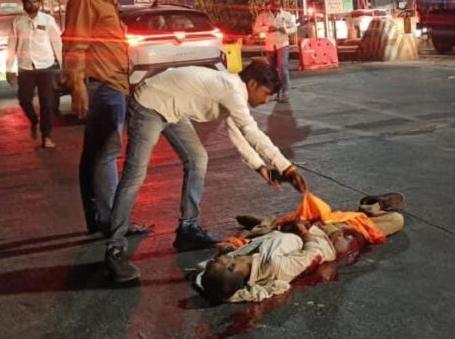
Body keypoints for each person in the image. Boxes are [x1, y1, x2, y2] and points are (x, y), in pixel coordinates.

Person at [104, 60, 308, 282]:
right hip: (150, 103)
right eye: (266, 93)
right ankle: (115, 248)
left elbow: (237, 131)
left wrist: (260, 166)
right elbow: (251, 131)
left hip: (172, 106)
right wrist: (286, 167)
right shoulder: (232, 91)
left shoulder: (234, 92)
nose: (267, 100)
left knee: (197, 158)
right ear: (252, 84)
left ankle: (188, 230)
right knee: (134, 175)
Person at [61, 0, 150, 238]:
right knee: (106, 154)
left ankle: (101, 219)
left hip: (115, 84)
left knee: (96, 155)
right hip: (103, 86)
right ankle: (113, 220)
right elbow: (75, 44)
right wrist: (77, 84)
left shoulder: (109, 1)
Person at [196, 192, 406, 304]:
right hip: (326, 239)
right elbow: (312, 255)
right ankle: (371, 209)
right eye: (221, 261)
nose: (220, 258)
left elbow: (227, 256)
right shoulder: (276, 266)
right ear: (233, 268)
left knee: (327, 214)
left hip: (297, 231)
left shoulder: (242, 260)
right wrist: (305, 230)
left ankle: (267, 222)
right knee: (395, 220)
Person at [5, 0, 62, 148]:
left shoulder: (48, 20)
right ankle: (34, 120)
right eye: (29, 2)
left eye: (35, 2)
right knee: (24, 100)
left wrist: (63, 66)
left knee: (47, 103)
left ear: (39, 3)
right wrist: (9, 69)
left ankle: (46, 136)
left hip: (46, 66)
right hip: (25, 67)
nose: (32, 5)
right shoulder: (17, 22)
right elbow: (11, 46)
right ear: (23, 4)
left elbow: (57, 43)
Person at [253, 0, 297, 103]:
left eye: (277, 0)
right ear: (269, 1)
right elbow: (256, 28)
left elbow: (294, 28)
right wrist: (268, 28)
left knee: (282, 66)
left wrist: (286, 30)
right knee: (272, 70)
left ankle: (285, 91)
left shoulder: (286, 15)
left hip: (283, 44)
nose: (275, 2)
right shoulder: (263, 15)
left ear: (280, 1)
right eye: (272, 0)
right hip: (270, 46)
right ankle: (277, 91)